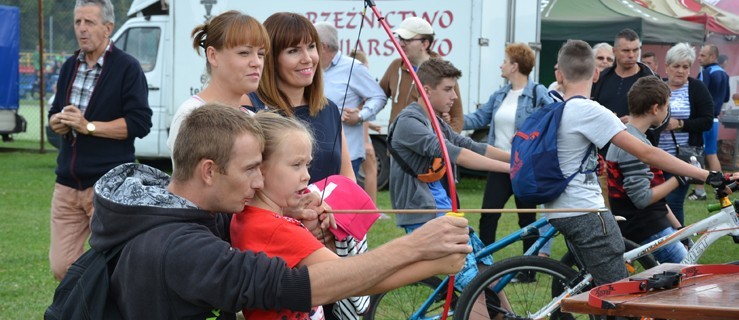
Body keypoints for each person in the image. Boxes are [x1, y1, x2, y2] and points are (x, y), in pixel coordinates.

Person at [88, 104, 469, 319]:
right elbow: (293, 287)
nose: (259, 182)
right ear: (208, 170)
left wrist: (291, 215)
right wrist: (418, 248)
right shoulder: (178, 244)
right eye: (251, 169)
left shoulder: (168, 206)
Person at [230, 111, 465, 319]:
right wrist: (435, 263)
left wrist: (297, 217)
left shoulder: (246, 217)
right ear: (260, 169)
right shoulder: (276, 229)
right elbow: (355, 280)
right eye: (296, 165)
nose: (306, 176)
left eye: (307, 165)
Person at [549, 40, 715, 286]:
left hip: (564, 206)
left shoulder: (559, 109)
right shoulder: (591, 111)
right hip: (595, 213)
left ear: (559, 74)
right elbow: (646, 158)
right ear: (596, 73)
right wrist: (698, 176)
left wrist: (680, 226)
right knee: (618, 292)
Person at [47, 0, 152, 280]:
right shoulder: (70, 65)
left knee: (111, 263)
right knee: (61, 266)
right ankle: (88, 302)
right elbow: (54, 111)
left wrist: (88, 126)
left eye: (89, 22)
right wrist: (56, 122)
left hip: (107, 184)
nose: (81, 29)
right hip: (67, 184)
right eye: (77, 22)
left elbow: (140, 123)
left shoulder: (127, 68)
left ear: (108, 28)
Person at [389, 58, 510, 232]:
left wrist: (516, 159)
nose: (454, 96)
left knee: (471, 254)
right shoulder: (409, 121)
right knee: (457, 257)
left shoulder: (436, 121)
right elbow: (454, 152)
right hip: (422, 212)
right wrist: (511, 169)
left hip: (441, 206)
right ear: (426, 91)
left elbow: (469, 145)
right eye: (448, 89)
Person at [462, 43, 553, 258]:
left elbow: (551, 119)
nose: (500, 65)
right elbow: (478, 118)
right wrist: (450, 121)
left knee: (527, 219)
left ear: (514, 66)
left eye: (504, 61)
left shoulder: (538, 93)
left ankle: (528, 269)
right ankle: (485, 264)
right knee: (488, 215)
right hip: (499, 164)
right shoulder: (500, 95)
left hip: (525, 167)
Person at [244, 12, 355, 183]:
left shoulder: (329, 109)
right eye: (293, 50)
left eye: (311, 47)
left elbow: (347, 179)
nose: (307, 58)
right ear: (271, 58)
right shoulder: (251, 106)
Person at [606, 76, 687, 263]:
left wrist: (679, 229)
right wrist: (677, 180)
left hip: (654, 222)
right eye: (666, 107)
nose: (667, 112)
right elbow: (643, 199)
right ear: (655, 108)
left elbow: (657, 200)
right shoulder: (632, 146)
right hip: (645, 227)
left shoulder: (637, 139)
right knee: (691, 275)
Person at [167, 10, 269, 153]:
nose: (257, 62)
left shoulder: (252, 118)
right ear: (213, 55)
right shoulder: (190, 116)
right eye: (244, 53)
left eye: (261, 54)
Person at [591, 29, 656, 208]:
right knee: (607, 210)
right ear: (615, 51)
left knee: (641, 210)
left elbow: (662, 118)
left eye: (636, 50)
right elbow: (590, 111)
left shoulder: (648, 79)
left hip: (639, 157)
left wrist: (637, 122)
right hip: (605, 160)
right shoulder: (603, 78)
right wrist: (608, 119)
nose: (632, 55)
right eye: (626, 50)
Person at [315, 22, 387, 178]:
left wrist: (361, 116)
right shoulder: (312, 69)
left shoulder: (354, 67)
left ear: (323, 46)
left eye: (311, 45)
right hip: (317, 153)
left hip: (347, 156)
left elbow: (379, 96)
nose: (308, 51)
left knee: (342, 202)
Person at [656, 43, 713, 225]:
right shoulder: (658, 87)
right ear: (667, 67)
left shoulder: (697, 88)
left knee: (673, 202)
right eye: (676, 66)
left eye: (685, 67)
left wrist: (680, 123)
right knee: (657, 205)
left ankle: (680, 243)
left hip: (683, 159)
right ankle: (664, 243)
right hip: (655, 157)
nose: (680, 71)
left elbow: (707, 120)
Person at [379, 16, 463, 132]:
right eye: (400, 38)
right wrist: (360, 113)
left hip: (426, 148)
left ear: (425, 44)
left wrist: (443, 145)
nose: (401, 44)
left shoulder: (444, 72)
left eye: (407, 39)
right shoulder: (395, 66)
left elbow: (457, 118)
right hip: (396, 148)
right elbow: (378, 96)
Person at [690, 45, 731, 201]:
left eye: (702, 55)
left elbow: (699, 95)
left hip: (704, 119)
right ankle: (722, 188)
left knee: (700, 153)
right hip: (715, 119)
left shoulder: (705, 73)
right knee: (712, 153)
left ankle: (700, 191)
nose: (699, 58)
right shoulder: (724, 74)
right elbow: (726, 98)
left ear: (713, 57)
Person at [348, 49, 383, 205]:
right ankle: (371, 209)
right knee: (370, 172)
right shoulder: (359, 81)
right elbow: (362, 114)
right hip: (360, 136)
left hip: (357, 134)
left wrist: (373, 127)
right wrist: (366, 141)